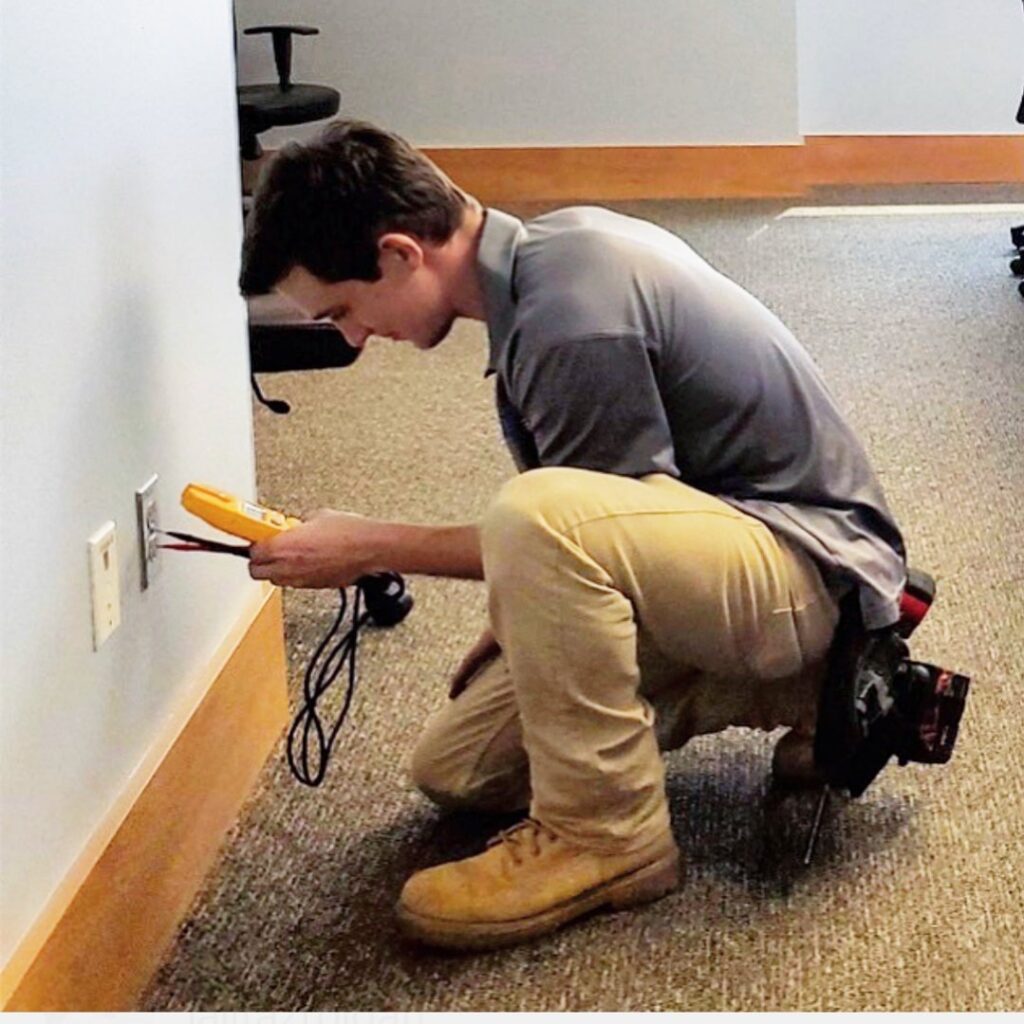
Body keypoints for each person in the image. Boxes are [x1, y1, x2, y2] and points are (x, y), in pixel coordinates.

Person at [239, 120, 906, 951]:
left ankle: (609, 836)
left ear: (402, 253)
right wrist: (525, 610)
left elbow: (578, 518)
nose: (349, 336)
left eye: (342, 309)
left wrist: (371, 544)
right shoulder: (541, 267)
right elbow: (609, 528)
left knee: (533, 513)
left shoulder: (572, 308)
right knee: (461, 769)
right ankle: (807, 693)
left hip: (809, 562)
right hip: (731, 553)